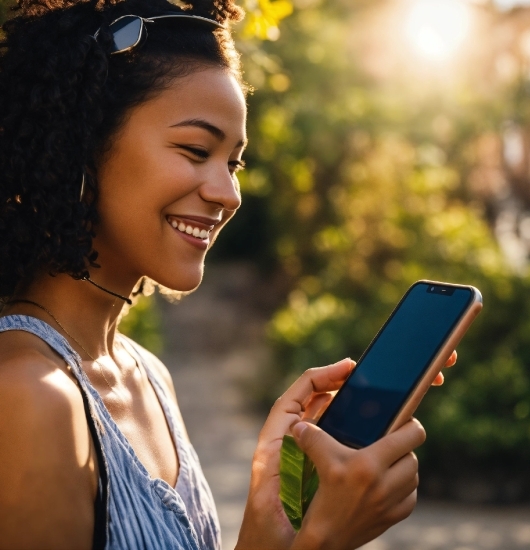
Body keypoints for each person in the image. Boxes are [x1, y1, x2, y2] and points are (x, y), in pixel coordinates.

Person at [0, 0, 456, 548]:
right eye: (196, 150)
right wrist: (323, 543)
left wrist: (273, 517)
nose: (228, 193)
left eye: (233, 162)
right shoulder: (27, 399)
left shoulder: (148, 375)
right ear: (83, 145)